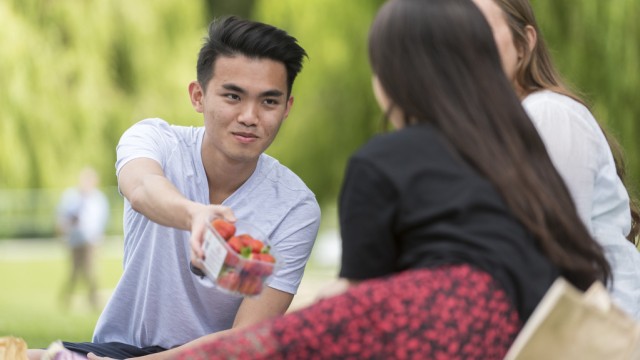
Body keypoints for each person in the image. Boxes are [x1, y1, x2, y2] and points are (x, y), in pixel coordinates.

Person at [139, 0, 610, 358]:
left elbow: (364, 306)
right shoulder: (525, 149)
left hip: (442, 330)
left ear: (390, 78)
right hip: (529, 332)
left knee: (292, 335)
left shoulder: (381, 161)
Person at [29, 15, 321, 360]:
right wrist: (193, 215)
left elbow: (245, 342)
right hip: (118, 348)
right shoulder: (155, 140)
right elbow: (142, 188)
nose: (249, 116)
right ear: (198, 96)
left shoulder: (295, 207)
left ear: (287, 107)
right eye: (232, 96)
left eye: (269, 102)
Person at [471, 0, 640, 320]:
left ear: (525, 43)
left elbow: (555, 249)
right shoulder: (506, 128)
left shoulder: (547, 114)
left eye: (481, 28)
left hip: (600, 331)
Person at [56, 167, 109, 311]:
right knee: (74, 272)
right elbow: (62, 219)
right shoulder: (71, 197)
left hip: (91, 241)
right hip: (75, 240)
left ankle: (93, 301)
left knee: (91, 271)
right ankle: (66, 299)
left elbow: (101, 222)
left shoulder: (98, 199)